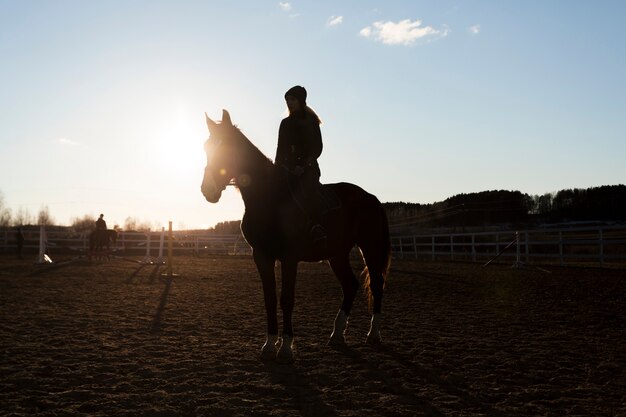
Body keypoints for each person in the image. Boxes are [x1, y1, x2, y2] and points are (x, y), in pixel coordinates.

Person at [275, 85, 327, 246]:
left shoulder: (311, 122)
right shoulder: (285, 123)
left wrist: (303, 166)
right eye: (287, 100)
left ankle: (317, 226)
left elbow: (317, 148)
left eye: (292, 99)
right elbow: (280, 148)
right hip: (287, 169)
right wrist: (276, 169)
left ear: (301, 101)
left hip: (308, 169)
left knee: (309, 192)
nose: (289, 102)